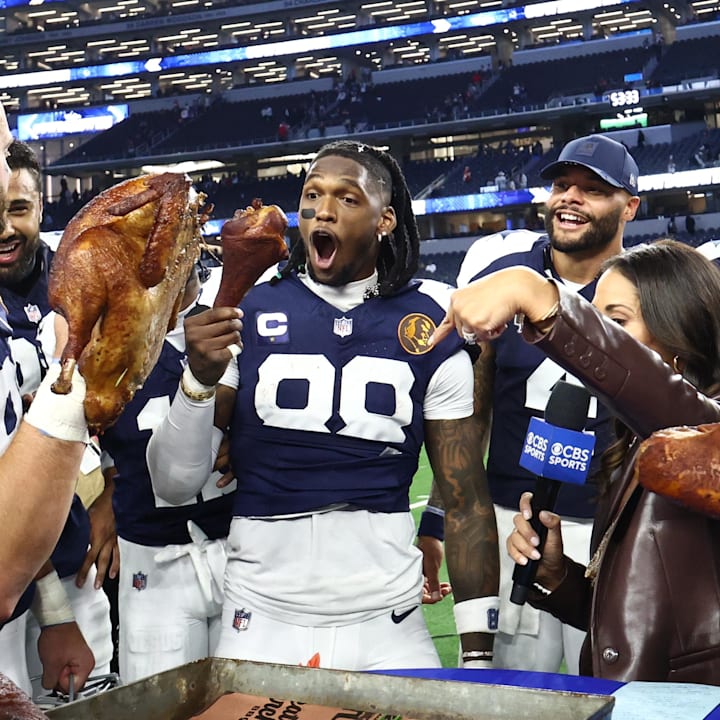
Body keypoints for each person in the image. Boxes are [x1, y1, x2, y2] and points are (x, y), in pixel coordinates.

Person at [147, 140, 499, 671]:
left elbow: (466, 498)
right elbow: (173, 484)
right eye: (312, 195)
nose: (323, 210)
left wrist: (477, 657)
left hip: (388, 621)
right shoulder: (251, 304)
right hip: (260, 618)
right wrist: (197, 378)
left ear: (385, 221)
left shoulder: (435, 319)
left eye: (347, 198)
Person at [431, 239, 720, 683]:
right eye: (595, 318)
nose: (601, 337)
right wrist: (557, 575)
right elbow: (632, 625)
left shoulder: (703, 426)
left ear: (679, 326)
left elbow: (690, 425)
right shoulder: (630, 440)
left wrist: (536, 295)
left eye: (615, 322)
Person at [454, 134, 640, 674]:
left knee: (613, 687)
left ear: (629, 207)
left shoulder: (652, 287)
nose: (570, 198)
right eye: (561, 185)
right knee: (513, 698)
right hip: (514, 520)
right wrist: (446, 516)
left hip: (612, 526)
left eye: (593, 189)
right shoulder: (504, 272)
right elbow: (474, 403)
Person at [0, 140, 112, 697]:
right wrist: (54, 606)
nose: (4, 227)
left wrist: (110, 490)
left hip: (75, 563)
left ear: (41, 205)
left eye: (17, 209)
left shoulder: (76, 279)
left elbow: (114, 402)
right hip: (21, 578)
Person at [97, 266, 236, 683]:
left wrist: (250, 433)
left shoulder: (245, 298)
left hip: (244, 549)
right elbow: (68, 429)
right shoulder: (91, 327)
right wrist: (101, 491)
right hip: (152, 563)